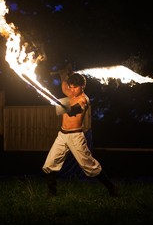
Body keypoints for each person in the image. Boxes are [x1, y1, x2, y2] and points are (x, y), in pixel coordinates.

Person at [42, 65, 119, 197]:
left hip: (76, 136)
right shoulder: (71, 92)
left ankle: (112, 188)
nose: (71, 90)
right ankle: (52, 193)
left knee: (88, 165)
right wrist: (62, 75)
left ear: (82, 87)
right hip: (62, 135)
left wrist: (64, 107)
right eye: (71, 87)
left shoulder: (83, 99)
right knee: (50, 163)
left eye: (75, 87)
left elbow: (76, 109)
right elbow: (64, 87)